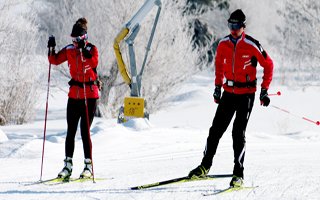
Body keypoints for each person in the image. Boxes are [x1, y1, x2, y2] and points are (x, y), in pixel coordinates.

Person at [188, 9, 273, 187]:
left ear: (243, 27)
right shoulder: (223, 44)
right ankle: (204, 166)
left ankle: (238, 174)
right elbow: (219, 66)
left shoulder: (252, 44)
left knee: (237, 133)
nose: (233, 29)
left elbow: (269, 65)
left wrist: (264, 90)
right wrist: (217, 87)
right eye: (230, 25)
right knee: (215, 131)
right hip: (229, 93)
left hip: (246, 95)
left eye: (236, 26)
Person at [47, 18, 99, 179]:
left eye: (77, 39)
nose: (74, 42)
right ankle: (67, 166)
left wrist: (84, 51)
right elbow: (54, 60)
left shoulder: (92, 49)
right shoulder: (69, 50)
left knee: (84, 131)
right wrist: (51, 48)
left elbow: (93, 61)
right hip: (74, 95)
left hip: (89, 95)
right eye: (73, 39)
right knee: (70, 131)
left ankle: (88, 166)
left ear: (84, 37)